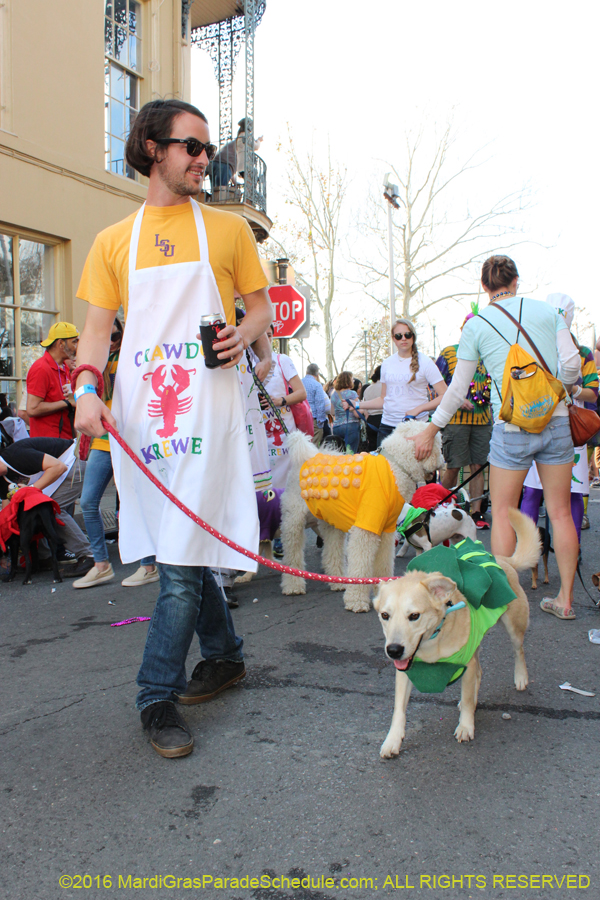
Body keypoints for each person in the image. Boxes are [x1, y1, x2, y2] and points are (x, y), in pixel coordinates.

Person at [74, 99, 272, 758]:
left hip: (208, 418)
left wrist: (243, 334)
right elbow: (96, 335)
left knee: (181, 564)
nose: (204, 158)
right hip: (143, 424)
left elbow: (261, 310)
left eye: (206, 148)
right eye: (191, 146)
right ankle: (226, 654)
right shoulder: (112, 243)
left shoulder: (228, 231)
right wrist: (84, 391)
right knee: (175, 548)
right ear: (154, 149)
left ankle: (154, 696)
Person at [411, 256, 581, 619]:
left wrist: (430, 428)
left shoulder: (477, 325)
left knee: (502, 512)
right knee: (560, 512)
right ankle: (565, 601)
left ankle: (506, 603)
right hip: (555, 421)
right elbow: (571, 364)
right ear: (516, 281)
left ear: (485, 287)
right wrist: (561, 390)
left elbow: (457, 390)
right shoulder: (548, 312)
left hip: (511, 426)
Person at [72, 318, 158, 589]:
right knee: (88, 501)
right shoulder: (96, 359)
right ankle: (101, 565)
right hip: (103, 437)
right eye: (106, 336)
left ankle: (149, 565)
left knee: (135, 500)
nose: (110, 341)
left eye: (115, 335)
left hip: (131, 436)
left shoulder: (135, 354)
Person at [521, 294, 599, 548]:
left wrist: (571, 389)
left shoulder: (583, 353)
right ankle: (528, 552)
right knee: (533, 491)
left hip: (571, 430)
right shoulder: (531, 346)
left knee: (573, 492)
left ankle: (573, 553)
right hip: (538, 424)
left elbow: (593, 393)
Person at [0, 436, 94, 575]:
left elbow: (59, 467)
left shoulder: (15, 455)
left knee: (51, 509)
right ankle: (44, 557)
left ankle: (88, 556)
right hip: (59, 471)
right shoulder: (2, 479)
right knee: (31, 509)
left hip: (73, 463)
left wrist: (30, 489)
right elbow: (8, 512)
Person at [436, 313, 493, 529]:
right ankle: (441, 508)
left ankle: (476, 512)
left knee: (478, 467)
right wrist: (458, 400)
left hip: (483, 420)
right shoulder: (449, 353)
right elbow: (436, 386)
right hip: (456, 419)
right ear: (463, 329)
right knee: (453, 466)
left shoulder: (488, 353)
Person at [357, 319, 447, 447]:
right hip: (387, 427)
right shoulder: (387, 363)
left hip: (416, 427)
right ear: (394, 339)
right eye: (399, 336)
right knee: (385, 461)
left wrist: (419, 409)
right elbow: (383, 399)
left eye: (407, 335)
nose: (403, 338)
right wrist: (357, 404)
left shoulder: (425, 362)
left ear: (413, 336)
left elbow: (445, 395)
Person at [260, 324, 307, 492]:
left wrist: (280, 401)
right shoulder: (246, 364)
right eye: (261, 336)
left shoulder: (282, 360)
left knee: (286, 489)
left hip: (284, 438)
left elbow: (302, 392)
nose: (266, 340)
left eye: (269, 335)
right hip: (259, 438)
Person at [26, 322, 79, 439]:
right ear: (61, 344)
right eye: (74, 342)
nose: (77, 346)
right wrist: (66, 403)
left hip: (66, 440)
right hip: (48, 443)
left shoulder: (65, 367)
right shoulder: (41, 368)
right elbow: (32, 409)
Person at [330, 371, 361, 452]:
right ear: (348, 381)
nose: (353, 381)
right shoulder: (353, 394)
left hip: (337, 427)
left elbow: (332, 412)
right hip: (351, 425)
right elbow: (358, 410)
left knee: (339, 453)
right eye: (352, 379)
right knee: (351, 453)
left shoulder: (334, 395)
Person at [302, 363, 331, 446]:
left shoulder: (299, 383)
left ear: (306, 372)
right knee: (313, 445)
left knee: (303, 444)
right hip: (313, 419)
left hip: (300, 418)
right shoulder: (317, 385)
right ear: (317, 374)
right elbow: (320, 403)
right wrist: (321, 421)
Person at [361, 365, 384, 452]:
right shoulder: (386, 387)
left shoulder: (367, 389)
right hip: (384, 418)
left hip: (371, 420)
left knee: (373, 447)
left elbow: (366, 408)